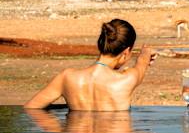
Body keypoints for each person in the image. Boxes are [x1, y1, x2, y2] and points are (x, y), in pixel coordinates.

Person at [24, 18, 156, 111]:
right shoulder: (128, 79)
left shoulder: (67, 77)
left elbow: (31, 108)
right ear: (126, 52)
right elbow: (142, 62)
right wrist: (146, 52)